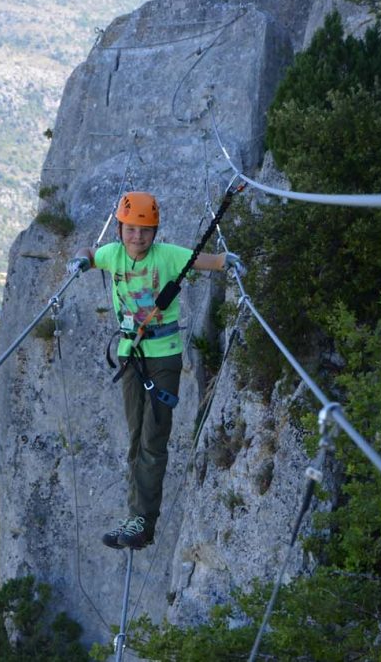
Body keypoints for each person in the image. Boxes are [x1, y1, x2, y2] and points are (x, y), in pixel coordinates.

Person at [67, 191, 243, 549]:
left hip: (163, 357)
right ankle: (135, 516)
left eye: (145, 230)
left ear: (155, 231)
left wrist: (228, 261)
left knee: (152, 439)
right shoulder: (113, 255)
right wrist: (81, 261)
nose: (137, 237)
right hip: (130, 354)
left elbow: (204, 260)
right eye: (131, 229)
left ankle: (143, 523)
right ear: (120, 229)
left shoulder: (166, 257)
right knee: (136, 437)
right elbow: (90, 252)